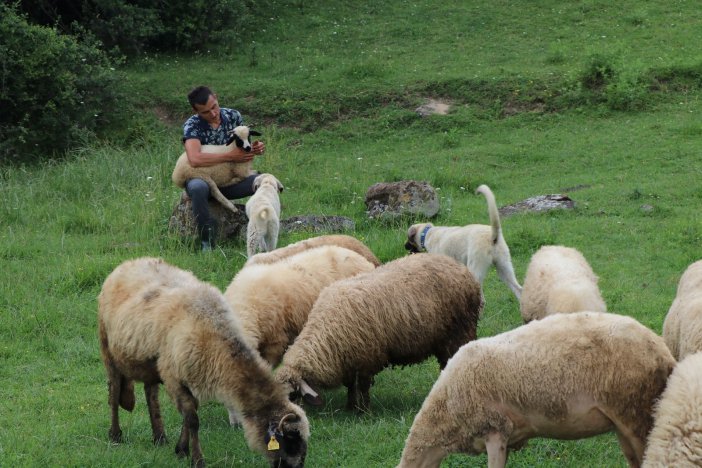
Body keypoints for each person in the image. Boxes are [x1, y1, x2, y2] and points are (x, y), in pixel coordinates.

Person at [182, 85, 265, 251]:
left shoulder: (233, 116)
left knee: (264, 181)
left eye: (214, 107)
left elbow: (243, 148)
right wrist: (230, 156)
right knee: (198, 187)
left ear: (216, 97)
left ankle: (263, 233)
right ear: (195, 110)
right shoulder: (192, 125)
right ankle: (207, 242)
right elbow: (195, 158)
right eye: (205, 112)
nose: (213, 113)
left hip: (229, 182)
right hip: (203, 182)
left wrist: (255, 148)